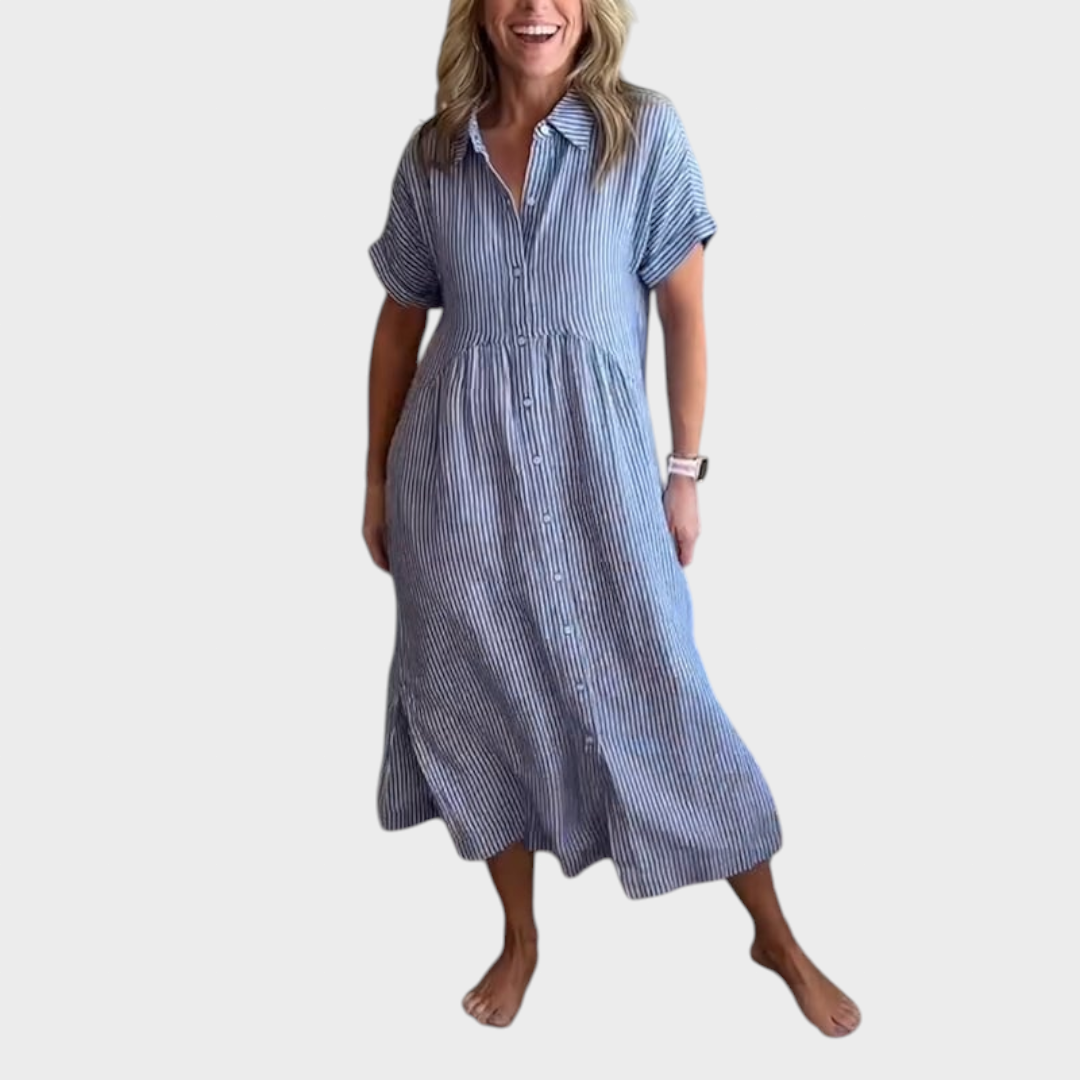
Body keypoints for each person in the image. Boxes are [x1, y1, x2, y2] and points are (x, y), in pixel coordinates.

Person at [363, 0, 861, 1037]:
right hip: (454, 492)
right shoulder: (435, 155)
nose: (534, 9)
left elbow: (685, 311)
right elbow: (400, 324)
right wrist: (375, 481)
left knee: (663, 693)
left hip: (602, 485)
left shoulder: (644, 135)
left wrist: (684, 471)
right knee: (474, 702)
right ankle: (520, 936)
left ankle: (773, 932)